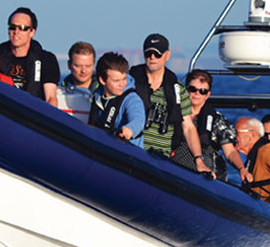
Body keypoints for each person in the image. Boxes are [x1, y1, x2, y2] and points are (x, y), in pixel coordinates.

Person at [127, 33, 210, 175]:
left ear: (167, 55)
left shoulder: (178, 90)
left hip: (161, 158)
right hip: (133, 150)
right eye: (149, 53)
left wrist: (199, 159)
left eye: (157, 54)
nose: (152, 57)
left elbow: (188, 127)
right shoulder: (129, 81)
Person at [185, 69, 251, 183]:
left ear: (208, 94)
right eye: (192, 89)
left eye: (203, 91)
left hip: (208, 174)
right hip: (178, 168)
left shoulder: (217, 121)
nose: (197, 94)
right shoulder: (175, 114)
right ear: (186, 90)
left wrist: (241, 168)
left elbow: (230, 151)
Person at [0, 7, 60, 106]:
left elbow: (51, 98)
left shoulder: (47, 59)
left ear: (32, 32)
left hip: (32, 113)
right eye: (12, 27)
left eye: (22, 28)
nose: (16, 32)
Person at [88, 52, 145, 148]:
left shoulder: (132, 99)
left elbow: (138, 119)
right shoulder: (97, 97)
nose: (122, 84)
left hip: (128, 154)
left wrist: (130, 129)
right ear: (102, 80)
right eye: (116, 81)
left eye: (124, 79)